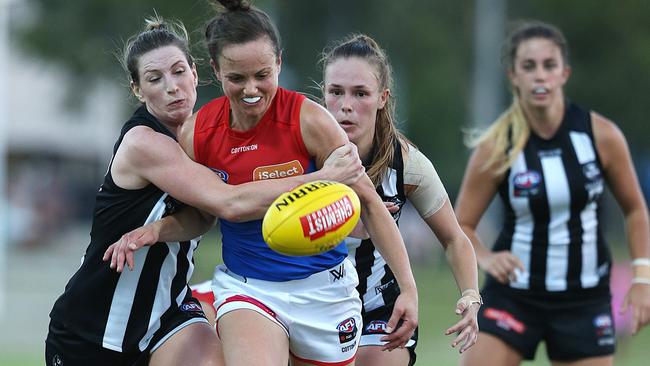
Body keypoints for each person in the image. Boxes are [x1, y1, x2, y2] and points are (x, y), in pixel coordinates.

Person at [110, 2, 417, 365]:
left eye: (262, 75)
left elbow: (369, 202)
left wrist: (409, 289)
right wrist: (157, 230)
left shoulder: (311, 121)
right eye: (237, 79)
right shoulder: (199, 133)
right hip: (248, 289)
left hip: (325, 291)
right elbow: (204, 217)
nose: (251, 89)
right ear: (215, 70)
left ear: (279, 64)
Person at [45, 16, 363, 366]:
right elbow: (230, 203)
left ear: (196, 74)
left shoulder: (203, 137)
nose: (172, 87)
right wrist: (323, 179)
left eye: (179, 72)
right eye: (155, 78)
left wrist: (156, 230)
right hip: (95, 328)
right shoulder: (144, 142)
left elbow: (201, 218)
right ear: (137, 89)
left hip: (169, 316)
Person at [455, 20, 650, 366]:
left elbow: (635, 209)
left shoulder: (601, 136)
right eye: (529, 67)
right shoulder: (496, 147)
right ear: (513, 76)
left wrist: (642, 277)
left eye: (549, 65)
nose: (539, 76)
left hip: (584, 299)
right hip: (514, 297)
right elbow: (461, 226)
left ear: (564, 73)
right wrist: (486, 258)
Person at [320, 34, 481, 366]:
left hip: (381, 308)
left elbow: (454, 239)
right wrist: (342, 227)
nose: (346, 105)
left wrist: (471, 296)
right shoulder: (300, 155)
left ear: (383, 98)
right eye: (336, 92)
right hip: (312, 303)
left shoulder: (408, 164)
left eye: (360, 93)